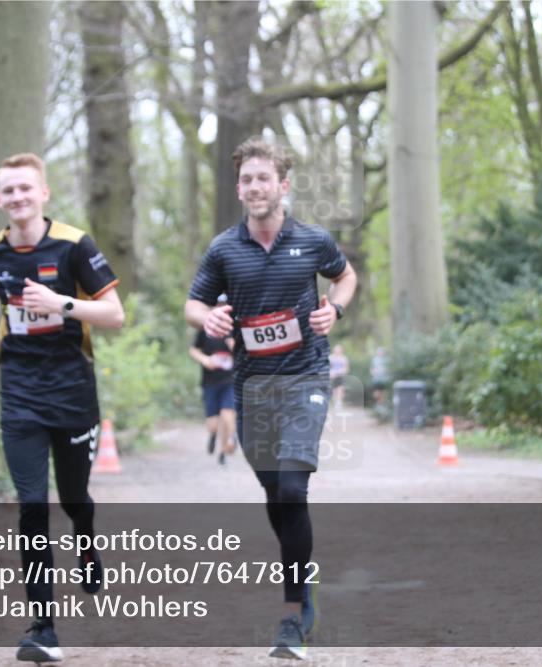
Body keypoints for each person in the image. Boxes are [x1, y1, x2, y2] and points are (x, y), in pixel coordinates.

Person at [184, 137, 357, 659]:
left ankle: (292, 617)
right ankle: (303, 571)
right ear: (239, 189)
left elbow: (345, 277)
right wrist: (207, 317)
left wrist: (336, 310)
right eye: (247, 179)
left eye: (264, 178)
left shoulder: (312, 240)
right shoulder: (223, 249)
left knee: (291, 486)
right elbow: (193, 304)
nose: (255, 187)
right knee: (275, 495)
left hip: (305, 379)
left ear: (283, 185)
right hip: (251, 386)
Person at [0, 153, 124, 663]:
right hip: (20, 394)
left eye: (25, 189)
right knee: (32, 503)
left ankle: (85, 535)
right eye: (8, 191)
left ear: (43, 193)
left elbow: (114, 315)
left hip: (73, 390)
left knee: (74, 496)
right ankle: (42, 627)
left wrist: (60, 304)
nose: (17, 198)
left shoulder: (74, 245)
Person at [188, 295, 237, 465]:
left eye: (224, 305)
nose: (220, 308)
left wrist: (234, 344)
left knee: (227, 414)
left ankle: (225, 448)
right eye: (217, 305)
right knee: (213, 424)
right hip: (210, 382)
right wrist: (204, 360)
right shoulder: (205, 329)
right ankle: (213, 435)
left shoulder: (235, 328)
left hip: (230, 381)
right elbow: (193, 350)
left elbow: (245, 352)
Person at [328, 344, 350, 410]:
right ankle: (336, 401)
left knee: (340, 388)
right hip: (332, 376)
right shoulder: (331, 357)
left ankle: (339, 402)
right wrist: (330, 373)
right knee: (334, 390)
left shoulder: (344, 358)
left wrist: (343, 372)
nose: (337, 351)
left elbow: (346, 368)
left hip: (340, 375)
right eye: (336, 349)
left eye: (339, 349)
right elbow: (328, 366)